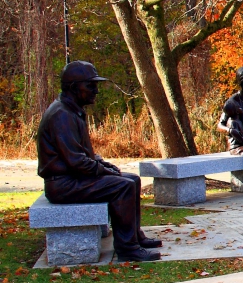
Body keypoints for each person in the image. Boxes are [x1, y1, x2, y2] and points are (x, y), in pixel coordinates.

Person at [37, 61, 162, 262]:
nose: (96, 90)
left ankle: (135, 237)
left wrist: (104, 165)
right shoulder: (61, 115)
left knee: (133, 180)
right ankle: (127, 248)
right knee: (122, 186)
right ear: (73, 87)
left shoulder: (72, 110)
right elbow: (76, 162)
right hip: (63, 184)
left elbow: (85, 154)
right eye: (90, 85)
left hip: (73, 178)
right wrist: (103, 171)